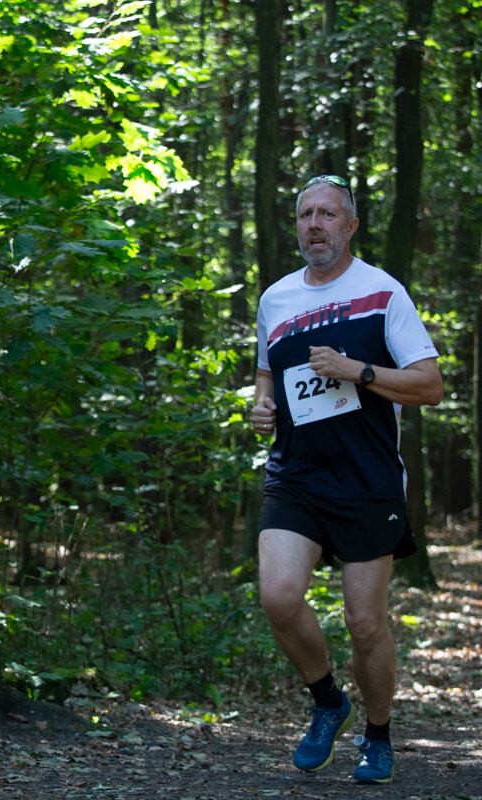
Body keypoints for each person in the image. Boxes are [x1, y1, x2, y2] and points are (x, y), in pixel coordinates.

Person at [249, 175, 443, 784]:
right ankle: (329, 702)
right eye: (306, 214)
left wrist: (358, 371)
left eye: (328, 214)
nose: (315, 224)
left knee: (365, 623)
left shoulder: (383, 293)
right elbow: (266, 377)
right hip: (296, 476)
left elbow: (430, 386)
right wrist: (261, 407)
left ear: (350, 225)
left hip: (367, 480)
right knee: (279, 596)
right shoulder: (276, 299)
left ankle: (378, 737)